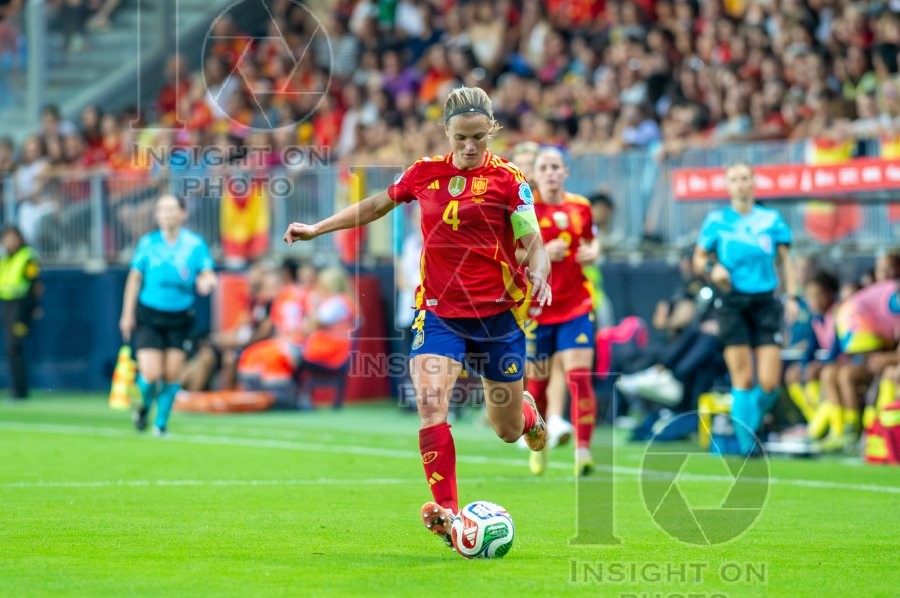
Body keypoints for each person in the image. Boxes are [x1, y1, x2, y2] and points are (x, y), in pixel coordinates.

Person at [283, 86, 551, 550]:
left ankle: (526, 414)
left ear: (491, 132)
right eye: (462, 137)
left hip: (497, 318)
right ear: (446, 132)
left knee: (506, 431)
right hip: (439, 313)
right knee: (430, 403)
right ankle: (448, 515)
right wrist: (317, 228)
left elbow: (532, 241)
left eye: (479, 138)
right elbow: (375, 205)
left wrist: (540, 272)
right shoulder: (423, 173)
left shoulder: (510, 179)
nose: (470, 148)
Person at [692, 162, 798, 456]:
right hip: (731, 302)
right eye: (734, 179)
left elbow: (787, 261)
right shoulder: (716, 220)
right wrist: (714, 268)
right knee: (744, 378)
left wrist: (792, 296)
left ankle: (747, 424)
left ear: (753, 183)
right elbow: (698, 259)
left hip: (765, 302)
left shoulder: (771, 219)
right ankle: (747, 448)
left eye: (745, 178)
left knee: (769, 382)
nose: (740, 184)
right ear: (727, 186)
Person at [522, 147, 599, 476]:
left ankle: (583, 451)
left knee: (579, 378)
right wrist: (542, 253)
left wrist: (594, 251)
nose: (551, 172)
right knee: (536, 385)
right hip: (538, 308)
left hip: (575, 304)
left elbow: (592, 240)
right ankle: (538, 446)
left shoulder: (581, 206)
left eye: (556, 166)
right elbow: (513, 256)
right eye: (545, 167)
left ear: (565, 171)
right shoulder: (526, 210)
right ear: (535, 174)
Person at [119, 194, 217, 436]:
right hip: (149, 315)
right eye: (162, 209)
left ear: (183, 213)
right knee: (151, 374)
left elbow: (207, 272)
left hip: (180, 317)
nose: (166, 214)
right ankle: (143, 407)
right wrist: (127, 314)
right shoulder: (147, 243)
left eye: (172, 209)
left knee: (172, 374)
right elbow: (134, 278)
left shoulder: (194, 244)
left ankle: (160, 425)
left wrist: (208, 282)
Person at [0, 226, 42, 399]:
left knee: (15, 346)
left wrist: (34, 307)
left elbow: (35, 284)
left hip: (21, 305)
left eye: (12, 237)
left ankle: (20, 388)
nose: (9, 241)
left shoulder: (27, 256)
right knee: (11, 347)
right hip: (5, 303)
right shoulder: (4, 257)